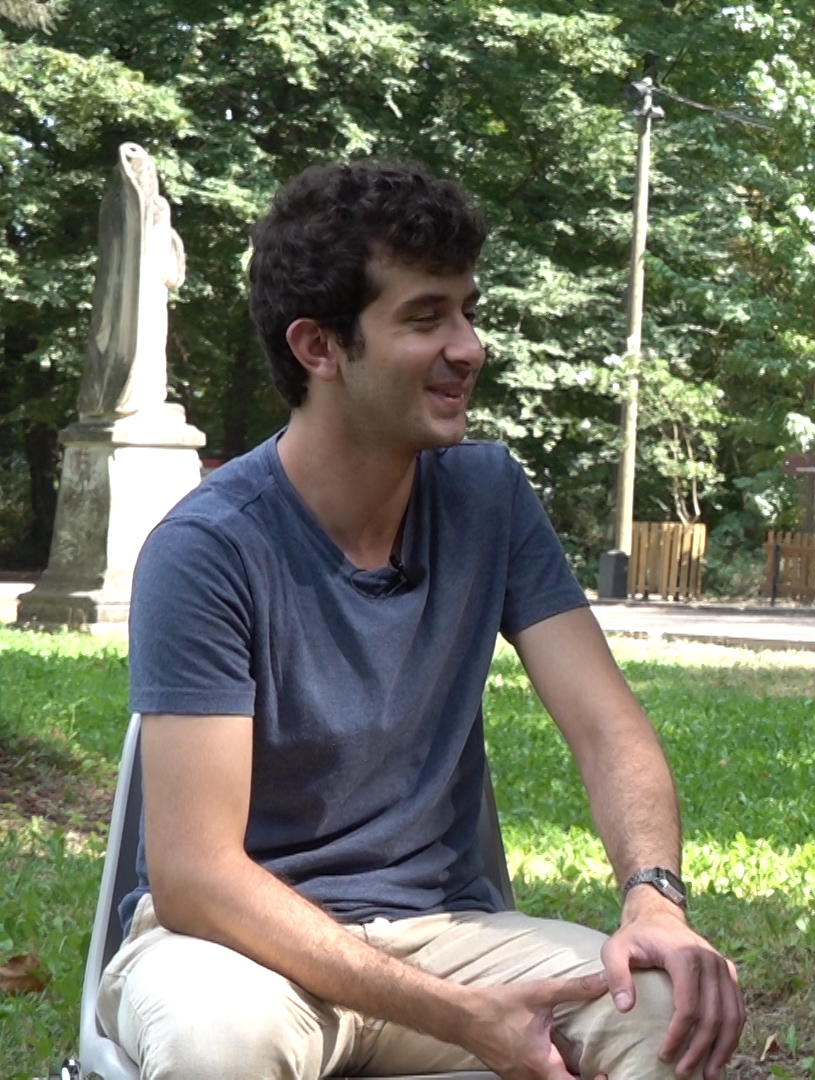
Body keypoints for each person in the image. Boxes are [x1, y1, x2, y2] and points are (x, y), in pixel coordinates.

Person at [100, 160, 745, 1080]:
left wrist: (654, 903)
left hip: (448, 930)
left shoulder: (488, 495)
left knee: (671, 1013)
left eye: (467, 311)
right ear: (320, 349)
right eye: (425, 317)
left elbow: (608, 728)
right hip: (237, 950)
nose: (469, 345)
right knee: (218, 1047)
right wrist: (463, 1017)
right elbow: (198, 877)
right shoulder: (208, 548)